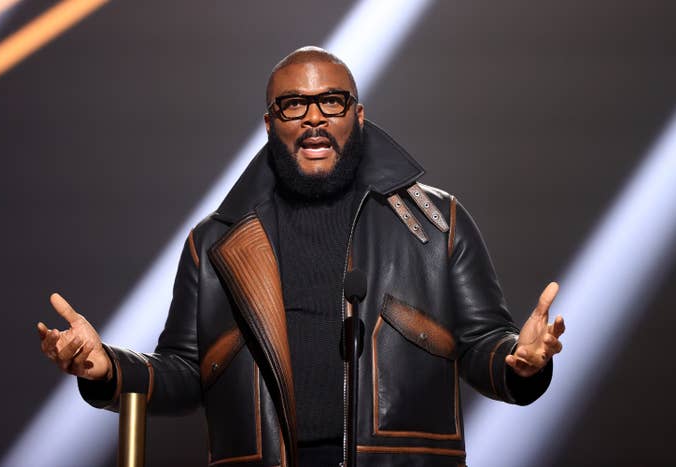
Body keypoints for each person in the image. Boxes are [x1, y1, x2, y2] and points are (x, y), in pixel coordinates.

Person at [38, 46, 565, 467]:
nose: (314, 118)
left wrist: (520, 360)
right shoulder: (215, 242)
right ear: (271, 124)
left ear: (357, 116)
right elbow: (185, 372)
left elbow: (483, 347)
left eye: (331, 101)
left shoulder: (438, 222)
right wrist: (106, 367)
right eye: (294, 104)